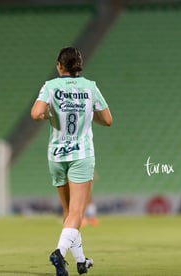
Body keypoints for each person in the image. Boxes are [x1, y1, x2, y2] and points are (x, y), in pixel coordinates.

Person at [31, 47, 112, 275]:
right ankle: (59, 252)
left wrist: (51, 114)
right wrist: (88, 110)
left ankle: (81, 261)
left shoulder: (51, 86)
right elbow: (107, 120)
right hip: (81, 155)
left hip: (56, 155)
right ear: (79, 65)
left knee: (69, 213)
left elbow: (36, 114)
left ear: (59, 65)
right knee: (77, 213)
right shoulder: (90, 87)